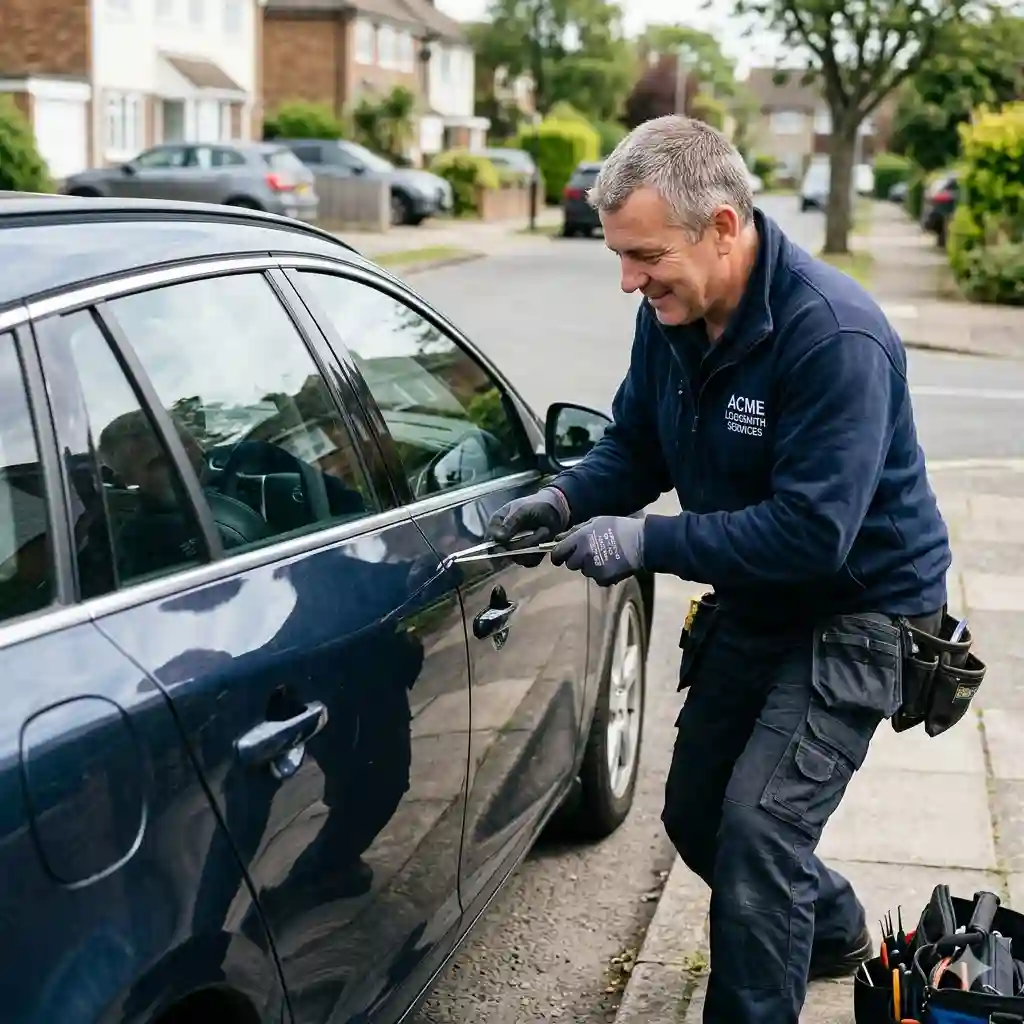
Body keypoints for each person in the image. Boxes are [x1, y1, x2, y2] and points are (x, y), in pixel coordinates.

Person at [486, 115, 951, 1024]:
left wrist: (647, 543)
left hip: (862, 610)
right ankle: (831, 927)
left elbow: (811, 536)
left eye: (646, 254)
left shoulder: (833, 338)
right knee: (697, 814)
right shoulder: (670, 316)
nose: (629, 279)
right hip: (759, 603)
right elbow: (635, 445)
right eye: (621, 256)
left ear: (726, 227)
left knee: (760, 831)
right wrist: (571, 500)